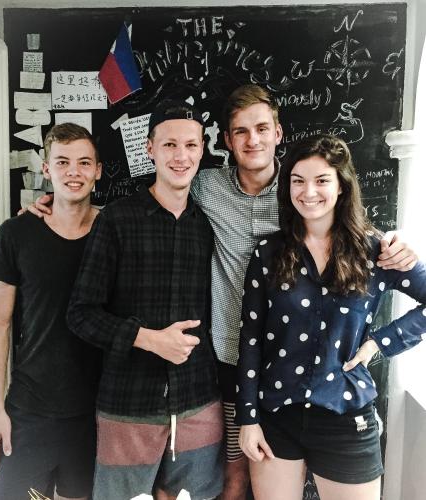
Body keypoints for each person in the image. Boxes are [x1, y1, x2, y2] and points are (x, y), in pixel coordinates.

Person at [28, 84, 417, 500]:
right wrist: (60, 206)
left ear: (277, 133)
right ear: (226, 141)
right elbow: (155, 201)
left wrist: (393, 247)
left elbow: (339, 219)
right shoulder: (203, 188)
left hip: (292, 368)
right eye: (241, 131)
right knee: (229, 477)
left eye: (262, 129)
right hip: (226, 363)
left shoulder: (298, 193)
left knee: (237, 480)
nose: (253, 140)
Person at [236, 134, 426, 500]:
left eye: (321, 180)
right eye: (298, 181)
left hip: (346, 414)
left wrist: (379, 343)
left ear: (341, 186)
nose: (308, 192)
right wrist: (248, 418)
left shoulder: (378, 251)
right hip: (277, 414)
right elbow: (251, 340)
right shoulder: (268, 253)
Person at [66, 100, 224, 500]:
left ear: (202, 150)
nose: (181, 156)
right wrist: (149, 339)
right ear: (149, 149)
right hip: (128, 405)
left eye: (190, 145)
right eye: (169, 145)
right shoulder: (116, 219)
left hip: (199, 402)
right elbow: (81, 314)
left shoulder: (209, 224)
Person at [0, 123, 103, 500]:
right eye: (62, 162)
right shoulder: (16, 233)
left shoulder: (113, 232)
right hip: (29, 412)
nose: (74, 172)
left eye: (84, 162)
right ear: (46, 169)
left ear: (98, 171)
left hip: (93, 415)